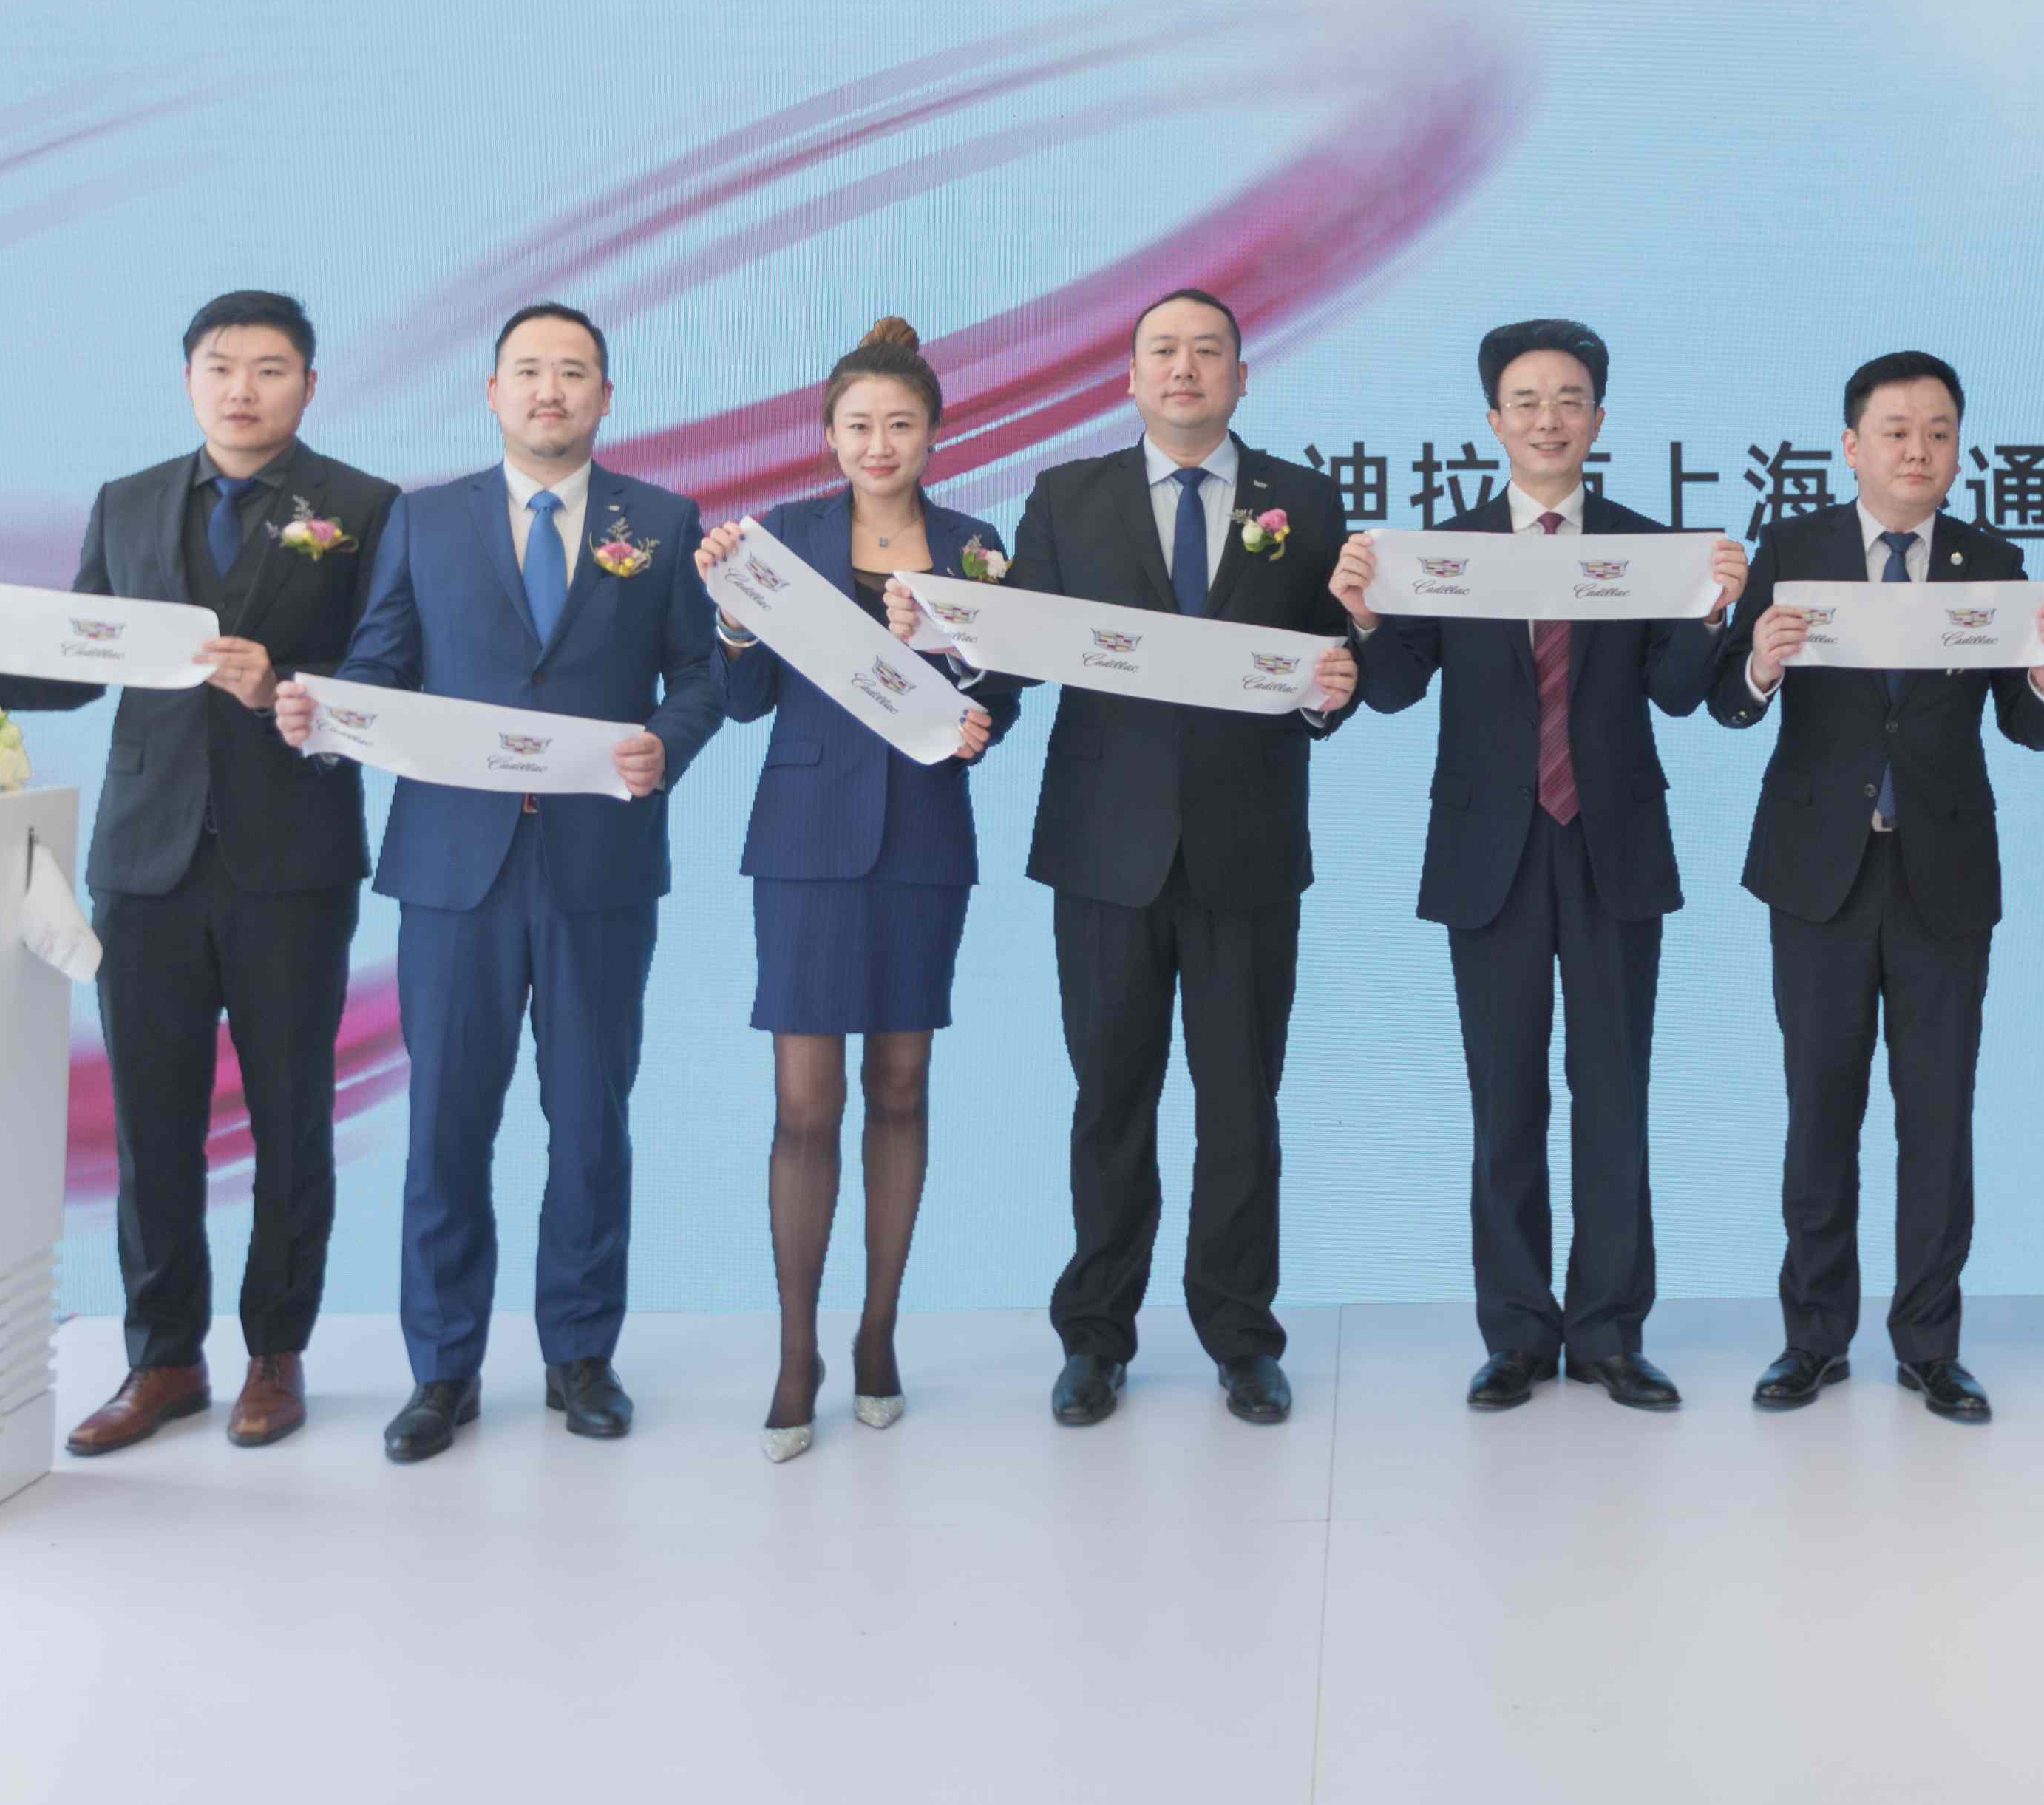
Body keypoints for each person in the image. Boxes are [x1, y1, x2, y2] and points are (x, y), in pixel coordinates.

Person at [0, 290, 397, 1457]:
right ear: (188, 380)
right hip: (147, 857)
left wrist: (284, 683)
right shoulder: (126, 502)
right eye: (221, 366)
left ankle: (275, 1356)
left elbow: (386, 669)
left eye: (269, 368)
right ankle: (162, 1358)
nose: (243, 388)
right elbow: (80, 662)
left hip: (292, 856)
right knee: (154, 1122)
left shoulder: (365, 508)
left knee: (291, 1120)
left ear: (308, 385)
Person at [272, 303, 720, 1463]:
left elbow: (700, 676)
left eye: (573, 372)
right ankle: (442, 1370)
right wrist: (325, 716)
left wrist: (665, 745)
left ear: (606, 396)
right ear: (492, 392)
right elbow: (380, 665)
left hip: (598, 869)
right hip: (452, 872)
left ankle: (582, 1356)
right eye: (528, 371)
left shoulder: (659, 522)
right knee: (445, 1126)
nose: (549, 390)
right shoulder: (423, 521)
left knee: (591, 1122)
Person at [1334, 319, 1748, 1415]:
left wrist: (1712, 612)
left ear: (1599, 419)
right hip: (1491, 854)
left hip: (1614, 847)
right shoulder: (1447, 550)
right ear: (1494, 421)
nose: (1549, 419)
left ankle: (1610, 1333)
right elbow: (1394, 691)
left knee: (1614, 1098)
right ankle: (1517, 1332)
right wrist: (1367, 618)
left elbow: (1676, 695)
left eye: (1570, 400)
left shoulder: (1651, 548)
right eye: (1527, 400)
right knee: (1504, 1101)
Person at [1004, 288, 1359, 1428]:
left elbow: (1331, 663)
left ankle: (1242, 1339)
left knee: (1241, 1105)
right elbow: (1015, 653)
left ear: (1243, 377)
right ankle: (1095, 1339)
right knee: (1110, 1102)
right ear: (1130, 377)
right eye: (1163, 350)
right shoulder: (1066, 497)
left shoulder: (1305, 501)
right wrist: (947, 655)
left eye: (1209, 351)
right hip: (1103, 854)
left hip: (1247, 851)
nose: (1185, 368)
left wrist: (1336, 687)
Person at [1713, 349, 2044, 1426]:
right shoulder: (1796, 550)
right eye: (1897, 430)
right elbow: (1726, 702)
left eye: (1939, 432)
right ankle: (1813, 1340)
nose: (1919, 450)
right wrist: (1759, 663)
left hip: (1942, 880)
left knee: (1938, 1117)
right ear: (1851, 445)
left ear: (1959, 449)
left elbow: (2029, 727)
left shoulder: (1991, 560)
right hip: (1817, 875)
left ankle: (1929, 1345)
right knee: (1819, 1112)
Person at [686, 316, 1020, 1461]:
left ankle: (878, 1335)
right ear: (828, 434)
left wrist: (973, 706)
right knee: (803, 1104)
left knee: (903, 1087)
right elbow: (744, 705)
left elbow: (1000, 701)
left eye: (901, 425)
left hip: (924, 839)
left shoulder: (976, 545)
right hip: (804, 843)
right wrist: (734, 623)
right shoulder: (780, 539)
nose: (879, 445)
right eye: (859, 426)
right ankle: (798, 1353)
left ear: (935, 433)